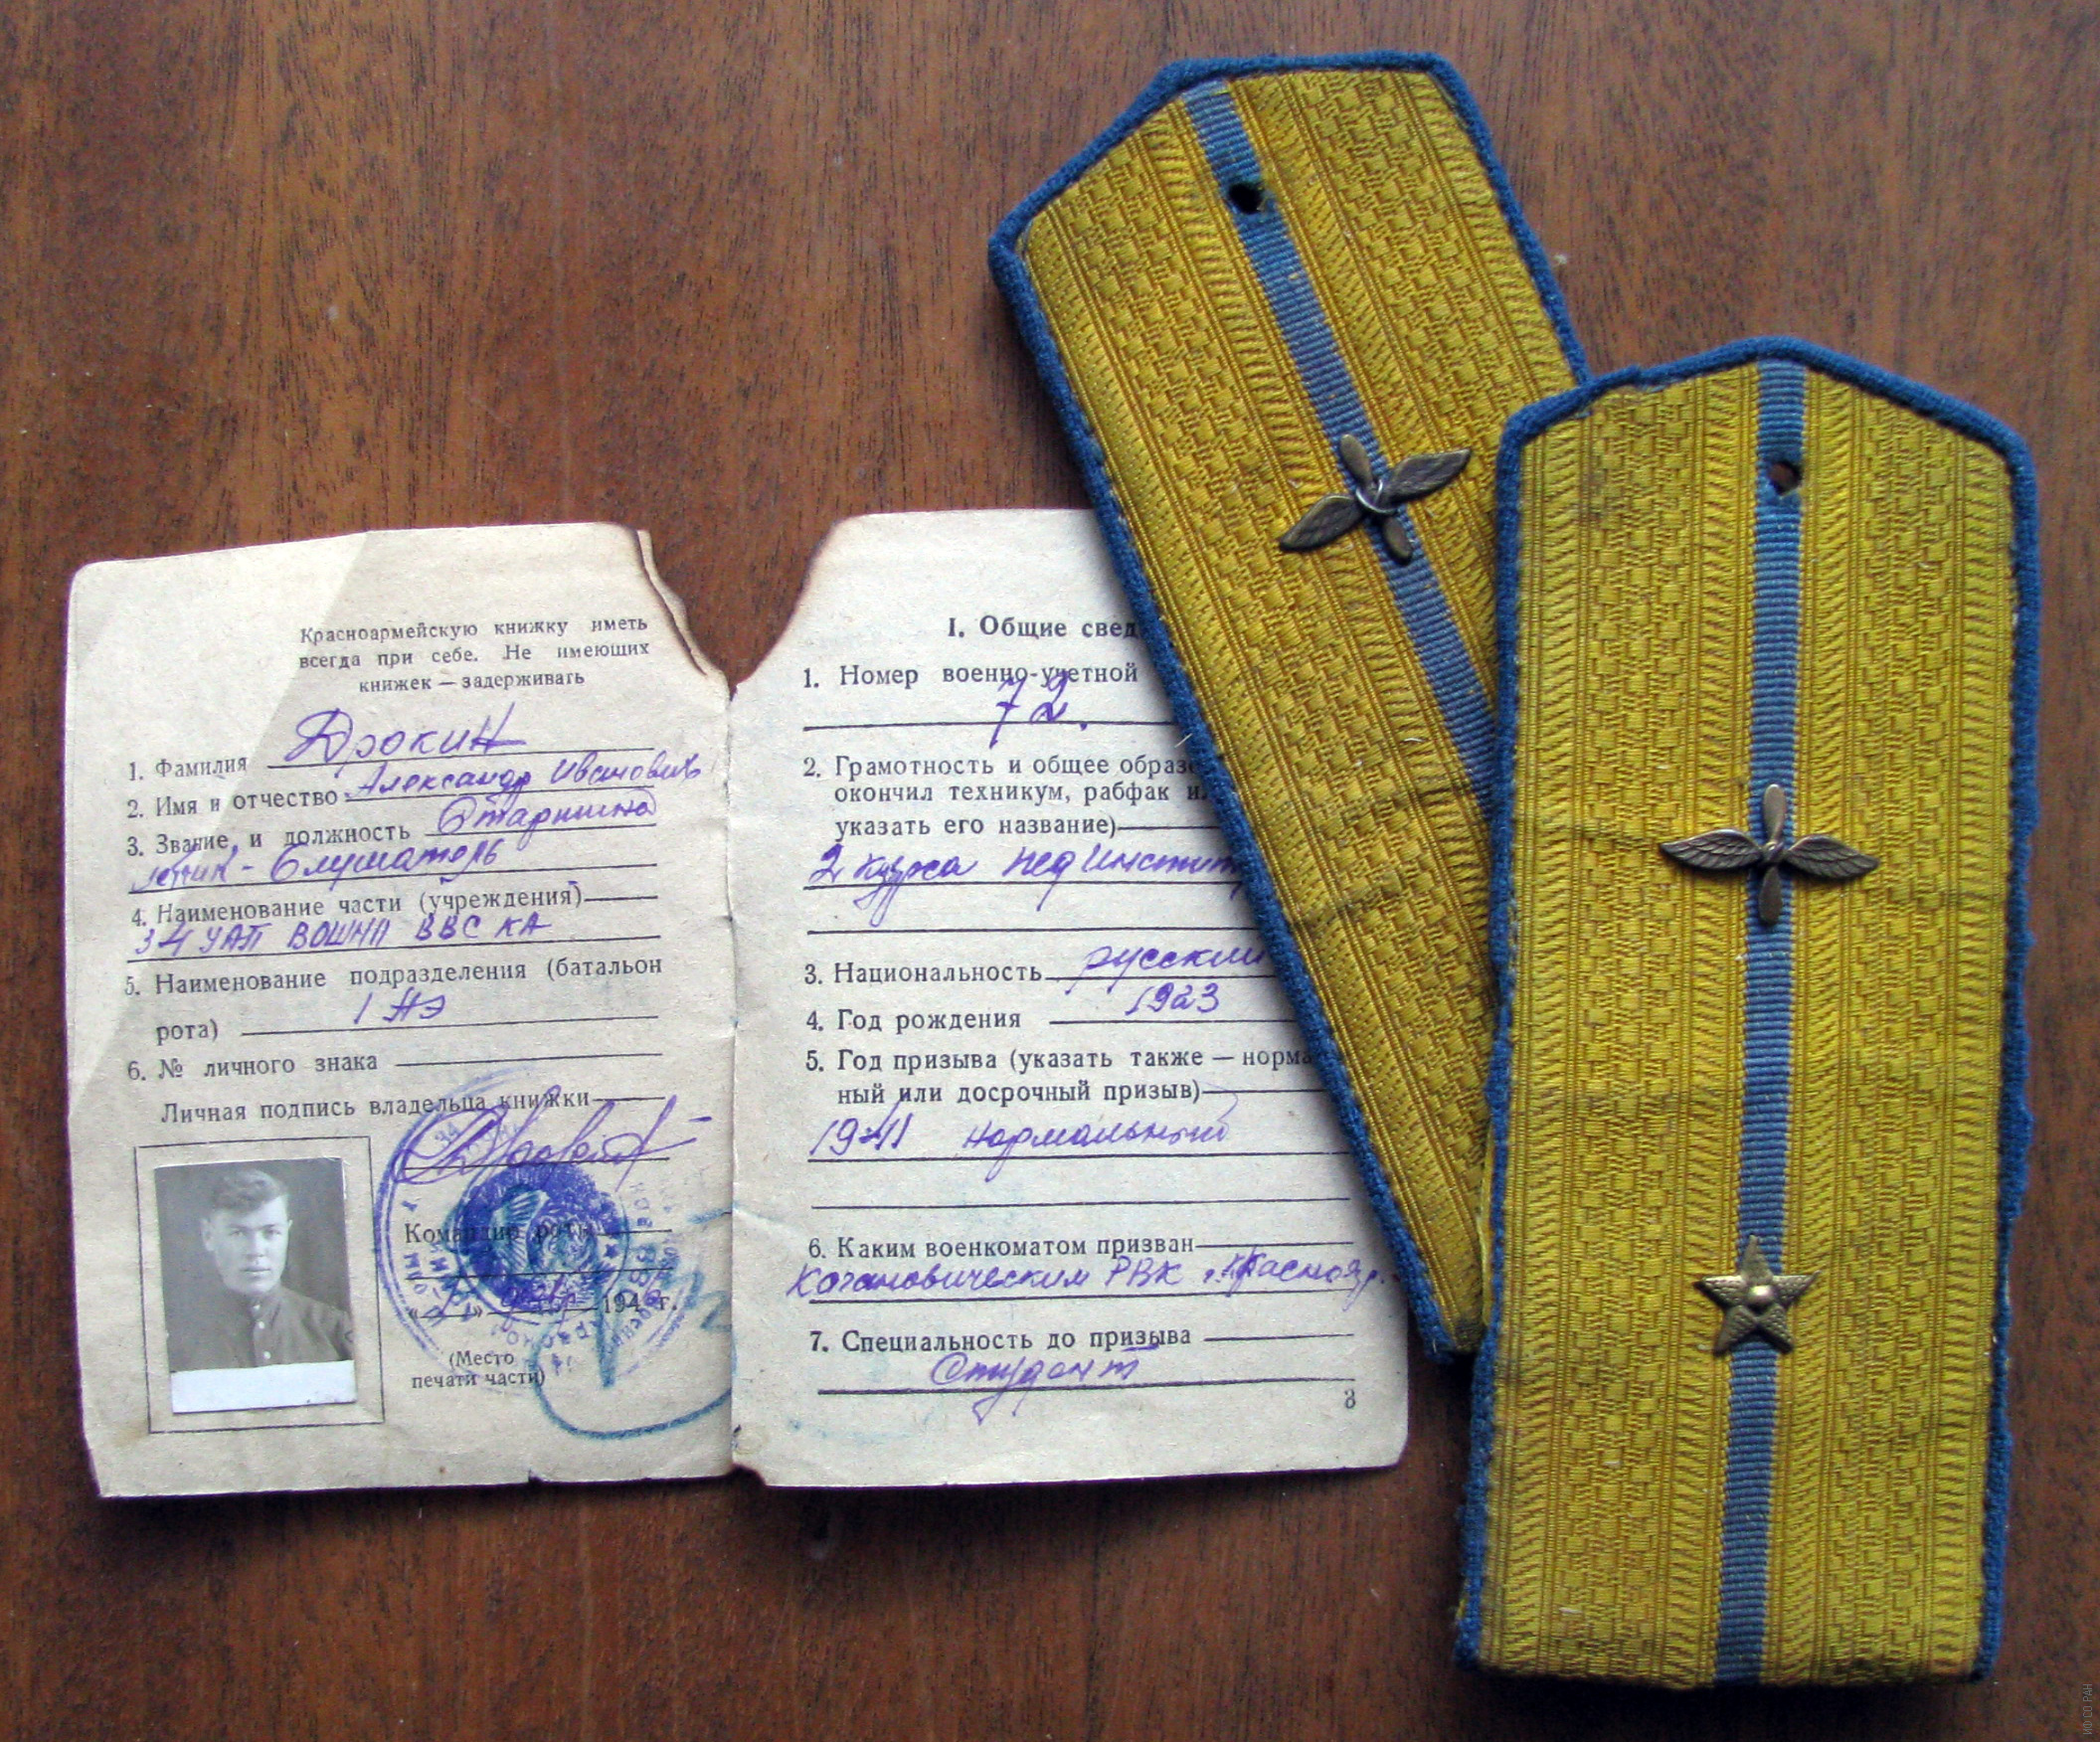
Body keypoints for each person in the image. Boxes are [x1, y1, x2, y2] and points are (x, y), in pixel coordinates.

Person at [166, 1167, 353, 1373]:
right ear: (208, 1236)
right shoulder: (174, 1337)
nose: (256, 1251)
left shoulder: (331, 1328)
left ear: (287, 1233)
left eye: (271, 1232)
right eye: (238, 1233)